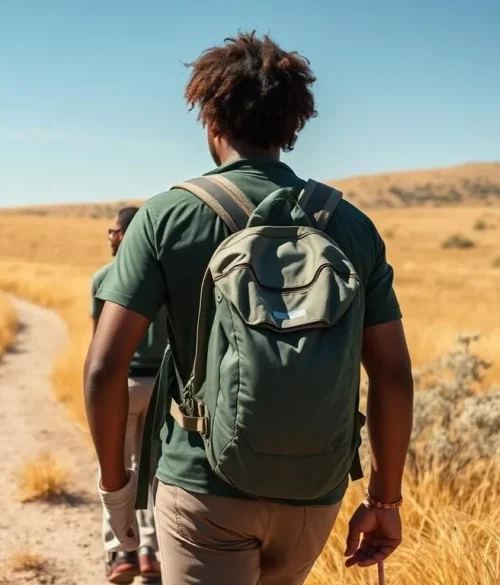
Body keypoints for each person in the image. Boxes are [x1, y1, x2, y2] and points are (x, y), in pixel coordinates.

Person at [83, 32, 414, 585]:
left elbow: (103, 368)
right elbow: (393, 373)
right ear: (292, 125)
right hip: (315, 489)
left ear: (211, 120)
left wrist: (117, 495)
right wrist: (385, 500)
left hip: (202, 486)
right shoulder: (351, 225)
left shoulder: (167, 216)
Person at [91, 206, 168, 584]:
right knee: (153, 473)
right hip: (161, 387)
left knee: (114, 470)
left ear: (124, 235)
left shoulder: (103, 279)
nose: (108, 236)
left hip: (120, 386)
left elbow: (100, 349)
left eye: (112, 230)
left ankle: (122, 551)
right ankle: (152, 552)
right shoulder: (167, 278)